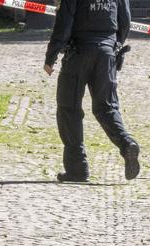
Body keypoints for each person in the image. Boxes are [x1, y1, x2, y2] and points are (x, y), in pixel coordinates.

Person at [44, 0, 140, 182]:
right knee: (107, 108)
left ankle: (77, 168)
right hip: (106, 54)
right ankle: (127, 143)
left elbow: (64, 23)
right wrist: (115, 46)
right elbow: (125, 22)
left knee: (68, 109)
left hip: (78, 53)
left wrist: (51, 56)